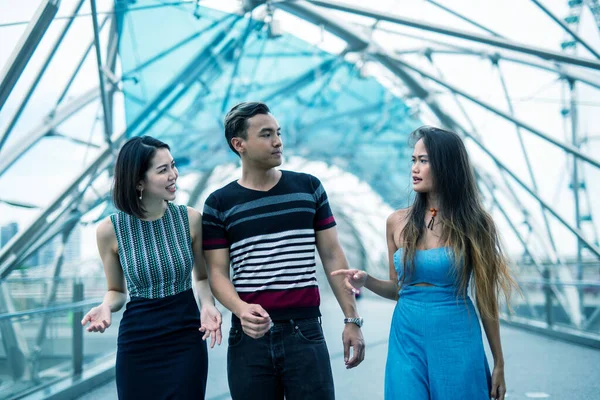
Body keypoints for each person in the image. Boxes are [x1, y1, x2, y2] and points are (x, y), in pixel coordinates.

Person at [333, 126, 517, 400]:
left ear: (446, 165)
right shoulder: (396, 221)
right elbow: (398, 289)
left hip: (456, 332)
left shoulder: (476, 224)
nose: (414, 168)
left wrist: (499, 362)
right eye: (413, 160)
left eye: (424, 160)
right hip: (407, 333)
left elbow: (487, 299)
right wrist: (367, 280)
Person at [202, 101, 365, 400]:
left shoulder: (308, 188)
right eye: (266, 134)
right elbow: (216, 272)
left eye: (277, 132)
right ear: (239, 144)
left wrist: (351, 319)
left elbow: (332, 256)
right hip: (248, 337)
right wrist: (240, 309)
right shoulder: (218, 203)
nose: (278, 141)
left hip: (304, 331)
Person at [81, 136, 222, 400]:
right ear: (138, 181)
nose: (174, 175)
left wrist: (208, 305)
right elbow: (116, 290)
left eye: (173, 165)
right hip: (138, 342)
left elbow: (201, 278)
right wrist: (105, 306)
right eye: (163, 170)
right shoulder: (109, 231)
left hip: (185, 338)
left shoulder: (190, 220)